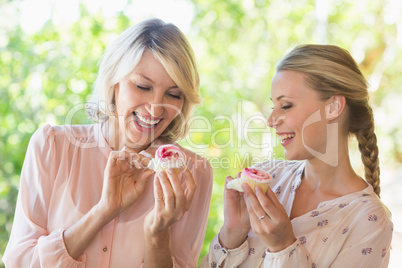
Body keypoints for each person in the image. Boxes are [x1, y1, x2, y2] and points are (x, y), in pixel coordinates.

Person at [3, 18, 213, 267]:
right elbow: (21, 261)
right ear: (114, 81)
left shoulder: (194, 173)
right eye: (143, 86)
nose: (156, 108)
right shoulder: (52, 147)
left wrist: (157, 235)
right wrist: (103, 211)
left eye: (173, 94)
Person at [201, 44, 393, 267]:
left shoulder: (369, 223)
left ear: (333, 107)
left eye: (286, 106)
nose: (271, 121)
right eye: (274, 106)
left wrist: (284, 246)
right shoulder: (269, 177)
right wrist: (232, 234)